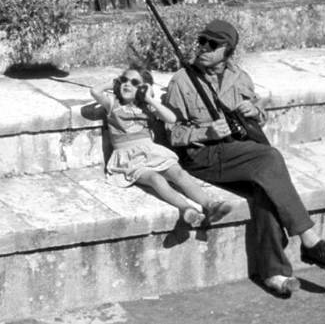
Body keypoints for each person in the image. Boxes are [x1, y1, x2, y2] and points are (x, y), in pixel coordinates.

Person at [163, 19, 325, 297]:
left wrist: (254, 112)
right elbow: (173, 134)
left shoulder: (240, 78)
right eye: (200, 41)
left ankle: (275, 273)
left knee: (266, 190)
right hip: (203, 155)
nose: (203, 48)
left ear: (228, 50)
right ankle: (310, 240)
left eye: (212, 44)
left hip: (238, 151)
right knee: (270, 159)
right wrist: (206, 131)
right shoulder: (182, 81)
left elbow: (256, 118)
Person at [90, 66, 233, 228]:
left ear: (143, 88)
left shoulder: (147, 107)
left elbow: (171, 118)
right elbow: (95, 91)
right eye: (124, 80)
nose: (127, 85)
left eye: (134, 82)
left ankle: (210, 204)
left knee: (179, 173)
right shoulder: (112, 104)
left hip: (152, 152)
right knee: (155, 179)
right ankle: (186, 208)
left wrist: (150, 99)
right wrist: (114, 83)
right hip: (128, 159)